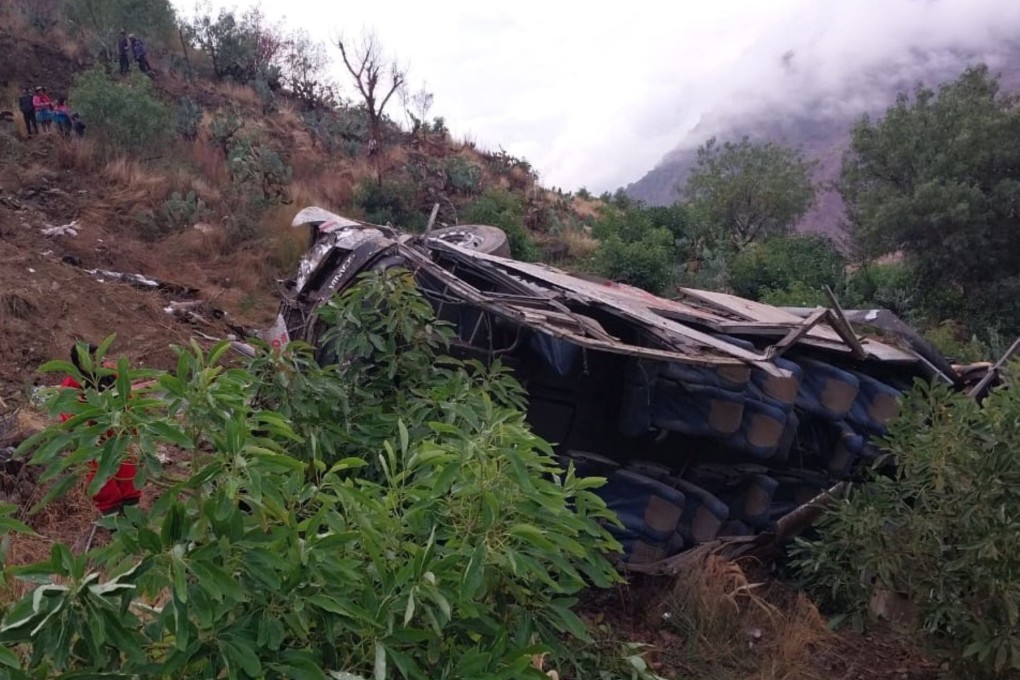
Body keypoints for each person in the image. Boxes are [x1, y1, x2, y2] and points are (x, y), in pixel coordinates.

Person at [59, 343, 144, 516]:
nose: (96, 360)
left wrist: (132, 426)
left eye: (96, 356)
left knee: (127, 468)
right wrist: (83, 435)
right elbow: (68, 413)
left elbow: (127, 396)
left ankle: (132, 514)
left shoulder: (110, 372)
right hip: (93, 435)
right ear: (79, 362)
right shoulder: (72, 383)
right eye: (90, 358)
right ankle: (112, 517)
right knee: (101, 476)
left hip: (118, 429)